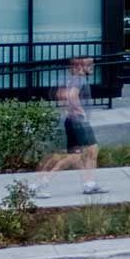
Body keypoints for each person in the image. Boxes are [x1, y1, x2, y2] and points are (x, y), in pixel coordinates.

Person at [38, 57, 103, 199]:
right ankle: (43, 182)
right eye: (89, 64)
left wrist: (68, 109)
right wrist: (80, 111)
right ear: (80, 67)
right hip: (78, 121)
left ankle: (88, 184)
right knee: (91, 150)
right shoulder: (79, 79)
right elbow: (71, 95)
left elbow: (59, 94)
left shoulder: (71, 79)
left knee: (76, 155)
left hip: (70, 120)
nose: (92, 67)